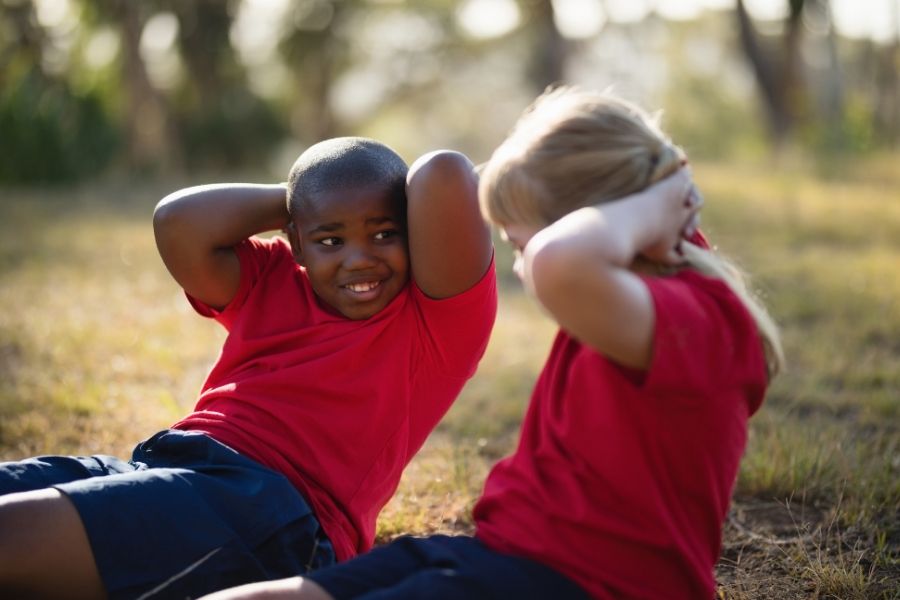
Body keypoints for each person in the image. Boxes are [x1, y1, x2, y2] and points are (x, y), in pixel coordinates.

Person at [199, 87, 785, 600]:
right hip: (505, 555)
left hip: (582, 584)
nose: (522, 260)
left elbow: (559, 264)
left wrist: (653, 199)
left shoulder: (702, 321)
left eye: (522, 239)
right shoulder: (650, 296)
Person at [0, 137, 496, 599]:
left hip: (266, 512)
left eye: (384, 233)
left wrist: (329, 205)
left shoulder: (432, 327)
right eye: (330, 240)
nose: (359, 259)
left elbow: (444, 174)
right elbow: (177, 222)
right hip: (161, 466)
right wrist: (305, 197)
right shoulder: (278, 277)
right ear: (296, 244)